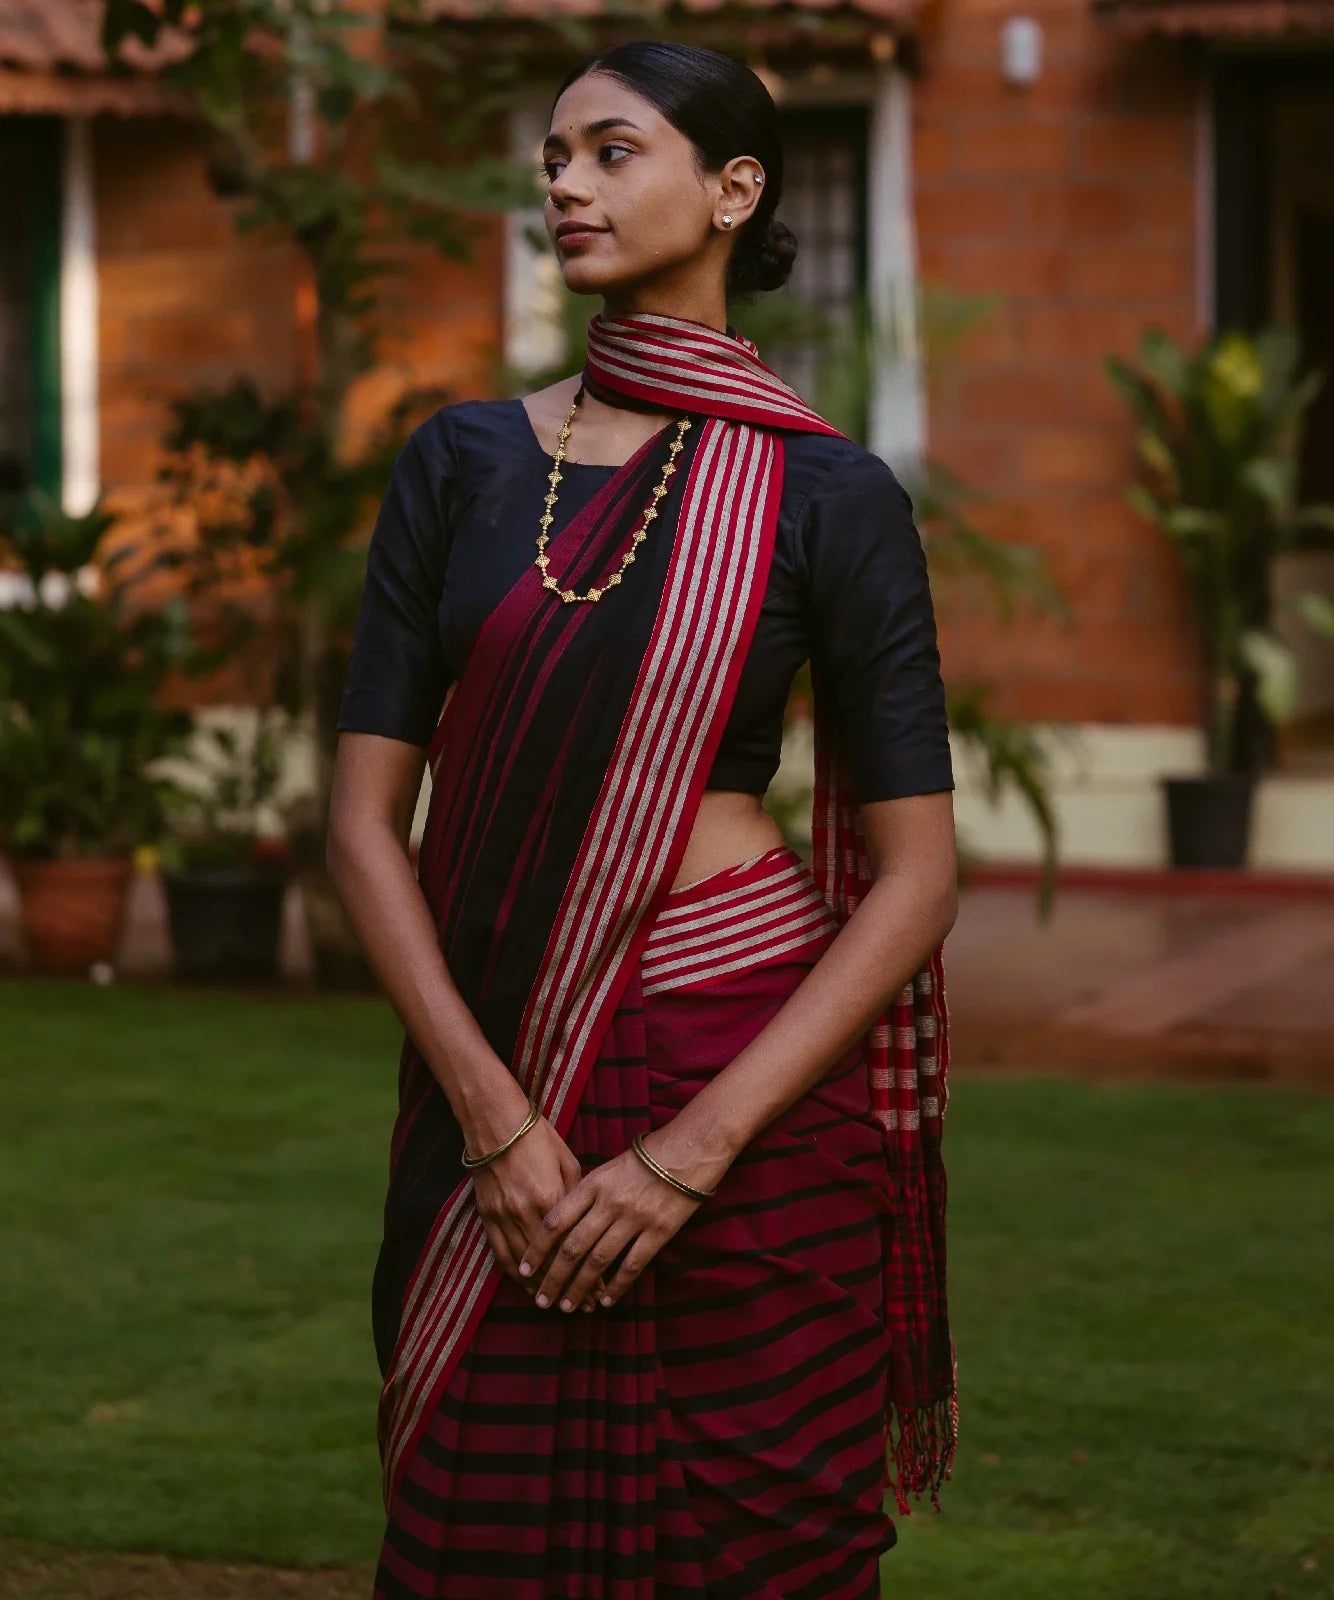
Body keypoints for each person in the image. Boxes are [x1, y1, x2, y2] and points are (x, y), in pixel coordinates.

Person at [328, 37, 959, 1600]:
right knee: (481, 1529)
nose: (564, 182)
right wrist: (491, 1118)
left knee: (761, 1540)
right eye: (554, 157)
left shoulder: (829, 497)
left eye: (613, 151)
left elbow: (918, 873)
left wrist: (692, 1151)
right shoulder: (463, 463)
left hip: (738, 1069)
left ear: (733, 189)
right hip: (506, 1064)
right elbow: (357, 822)